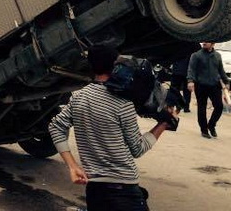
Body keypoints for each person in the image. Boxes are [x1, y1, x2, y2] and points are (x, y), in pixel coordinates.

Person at [48, 46, 177, 211]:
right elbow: (138, 149)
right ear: (116, 66)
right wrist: (163, 124)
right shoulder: (122, 103)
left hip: (94, 189)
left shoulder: (78, 97)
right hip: (123, 189)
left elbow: (55, 127)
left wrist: (73, 166)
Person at [187, 41, 230, 138]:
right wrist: (190, 81)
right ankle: (204, 130)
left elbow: (221, 70)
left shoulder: (217, 56)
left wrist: (226, 82)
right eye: (203, 41)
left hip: (215, 85)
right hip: (201, 85)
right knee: (202, 108)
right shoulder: (196, 55)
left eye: (207, 41)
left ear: (213, 43)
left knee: (219, 106)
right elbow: (191, 69)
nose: (204, 43)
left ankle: (211, 125)